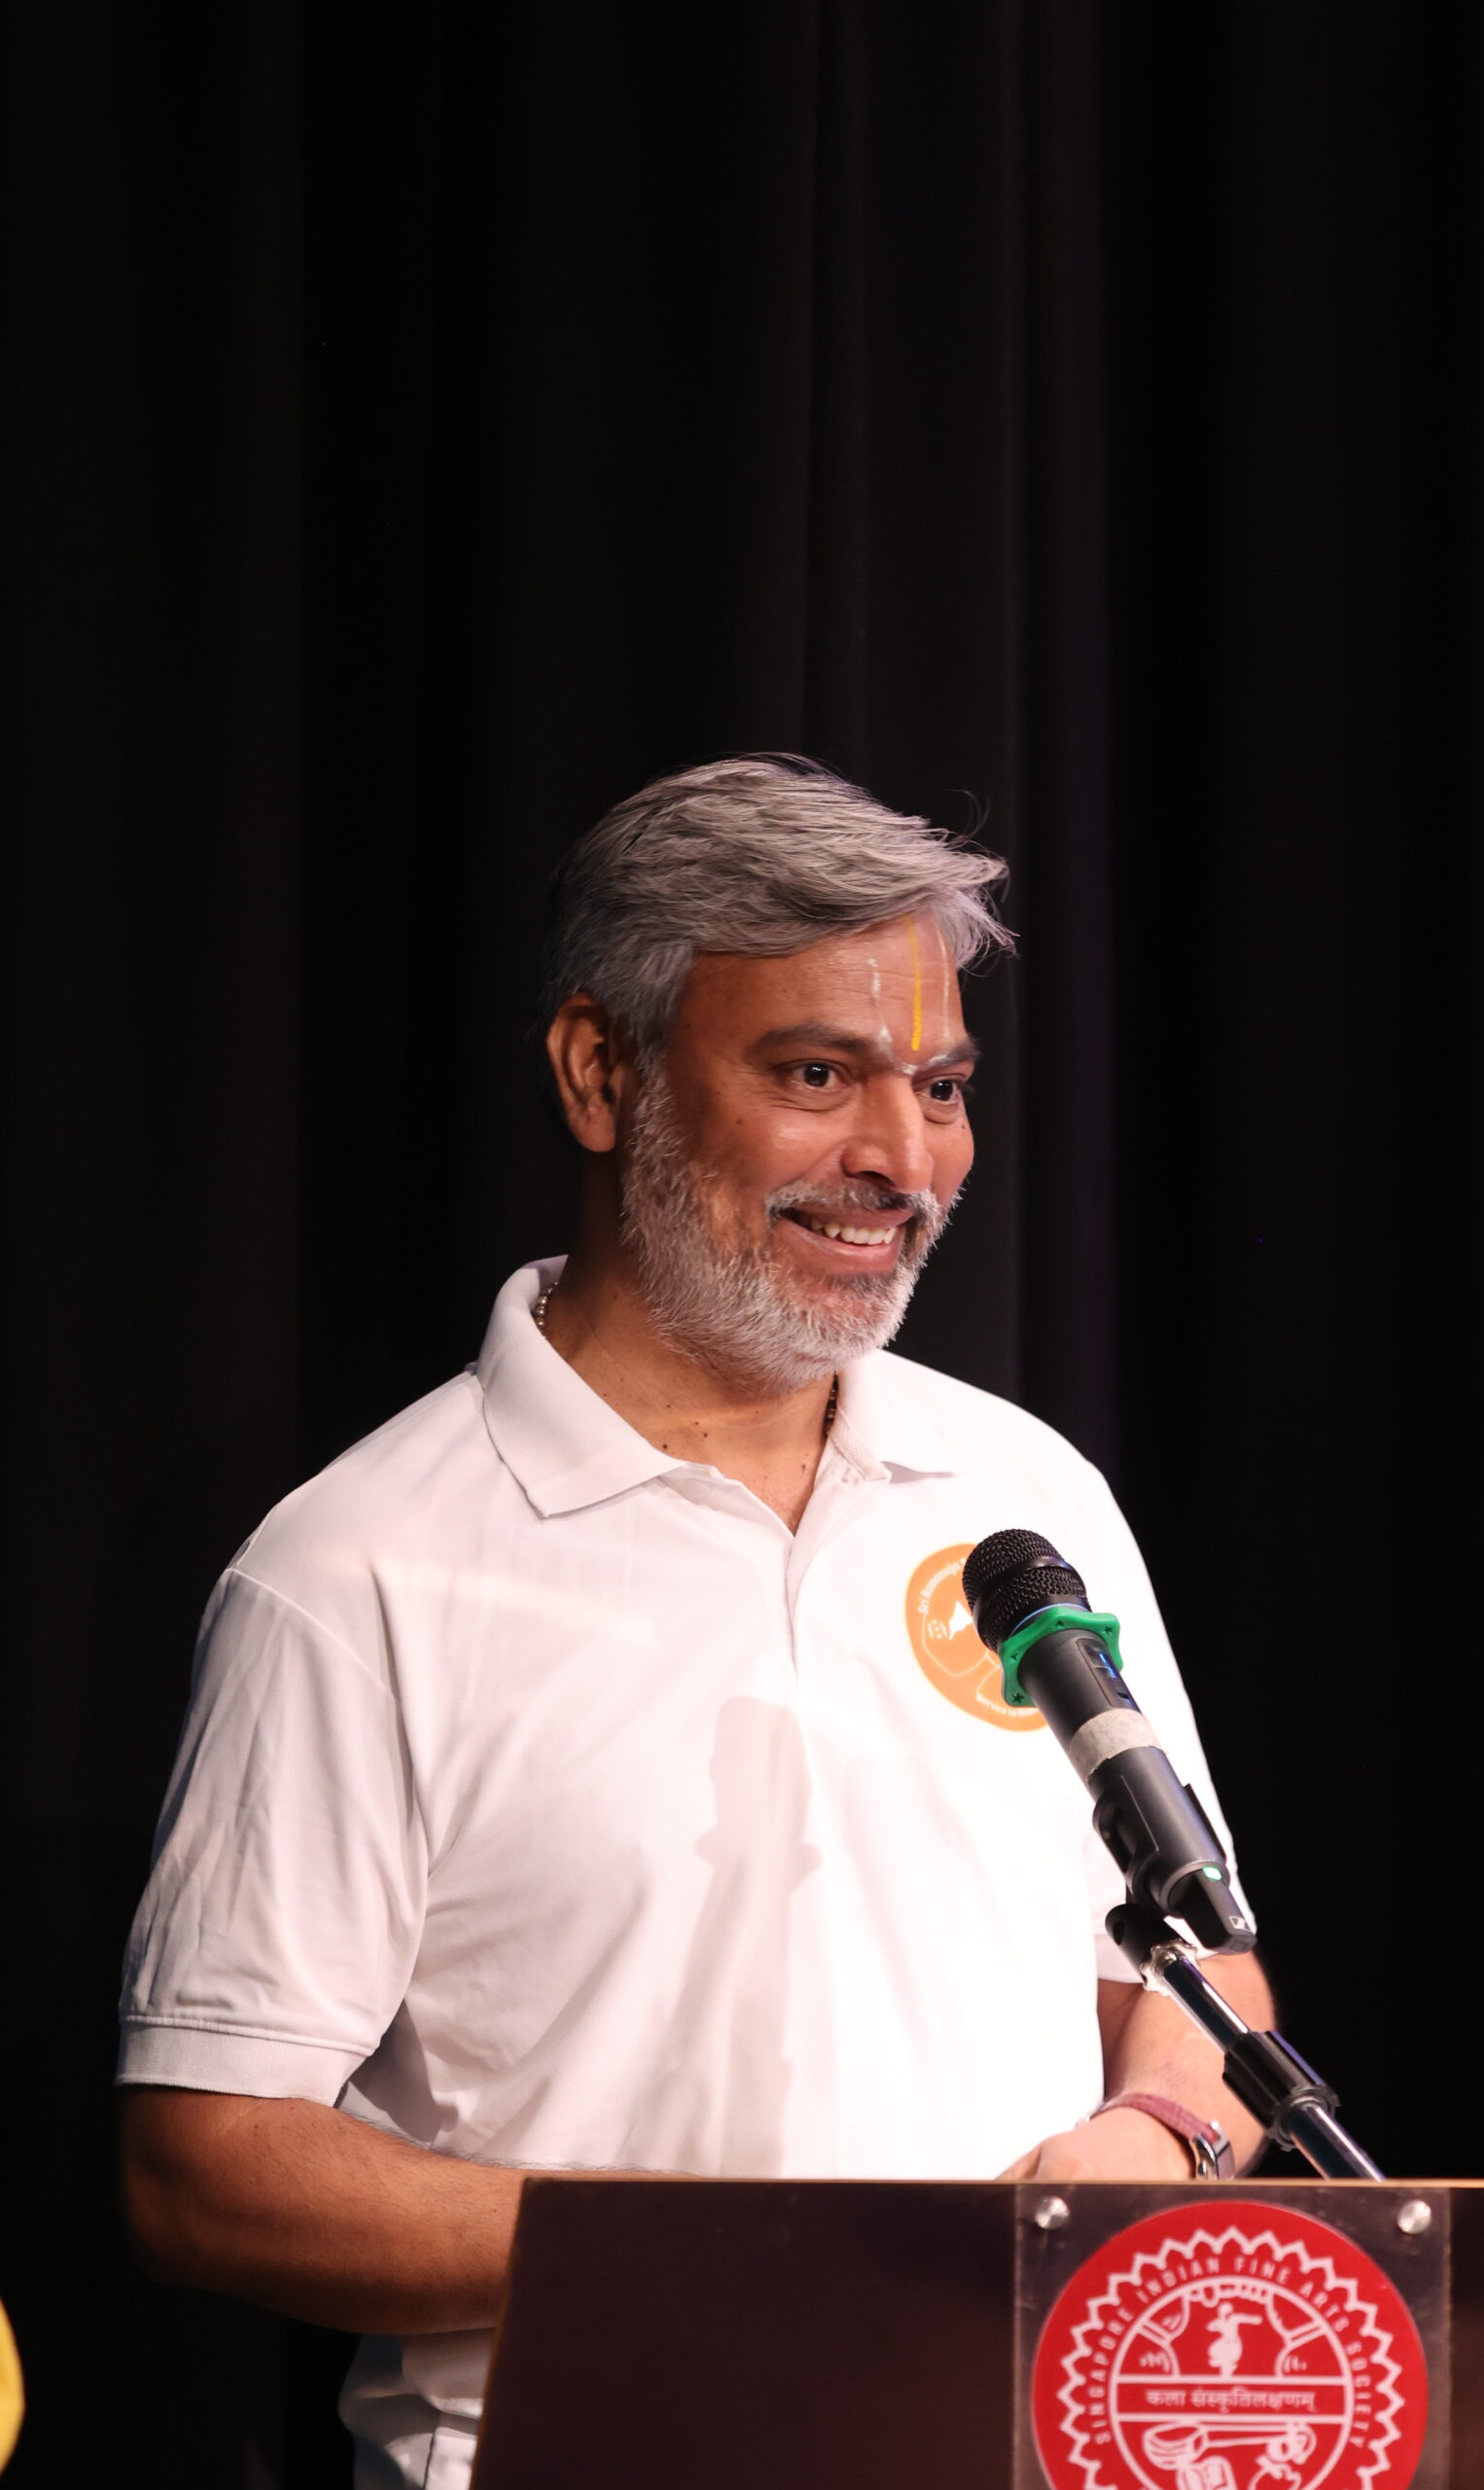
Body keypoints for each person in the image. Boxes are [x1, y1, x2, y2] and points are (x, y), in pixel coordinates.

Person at [118, 755, 1274, 2486]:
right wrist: (713, 2257)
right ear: (603, 1073)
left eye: (941, 1086)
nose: (900, 1159)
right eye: (816, 1074)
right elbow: (204, 2166)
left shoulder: (1026, 1499)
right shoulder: (357, 1569)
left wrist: (1158, 2132)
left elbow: (1196, 1966)